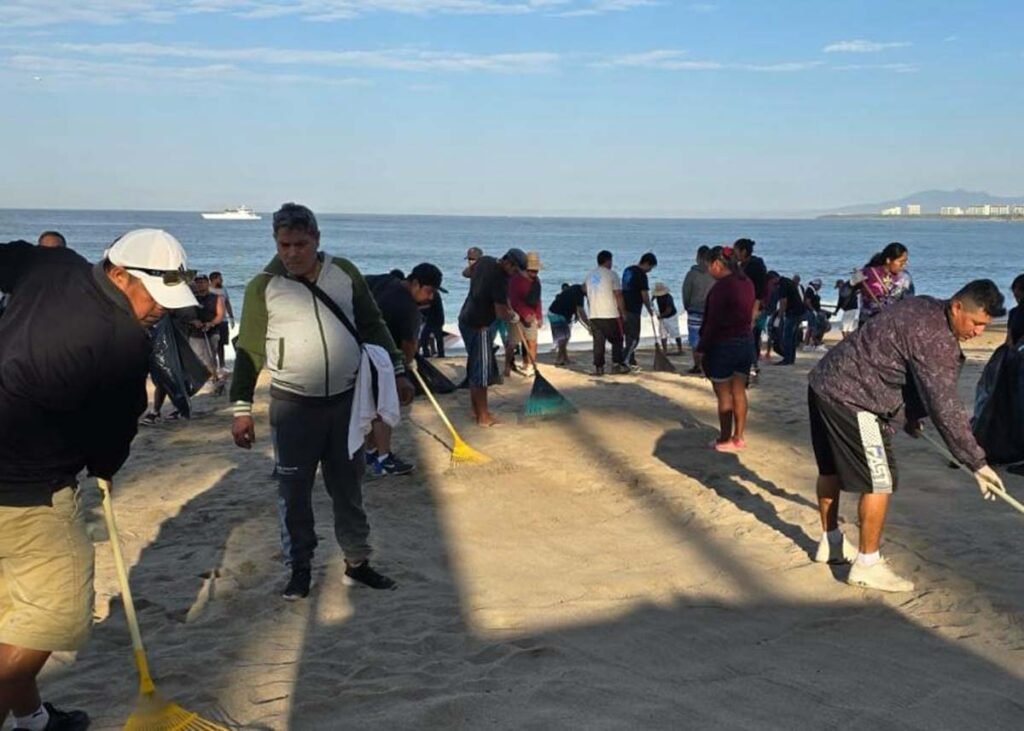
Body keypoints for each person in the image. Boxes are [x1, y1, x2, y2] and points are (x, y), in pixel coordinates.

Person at [0, 229, 197, 731]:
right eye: (155, 296)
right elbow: (110, 438)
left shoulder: (51, 265)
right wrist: (106, 466)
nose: (160, 310)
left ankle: (34, 720)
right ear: (118, 274)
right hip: (28, 492)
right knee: (52, 617)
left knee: (10, 613)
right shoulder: (121, 340)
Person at [230, 203, 413, 600]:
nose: (292, 253)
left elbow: (372, 324)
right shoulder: (262, 287)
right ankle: (300, 569)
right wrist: (241, 409)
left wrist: (398, 369)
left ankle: (358, 563)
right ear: (275, 242)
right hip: (292, 407)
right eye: (284, 244)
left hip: (346, 405)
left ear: (317, 240)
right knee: (293, 492)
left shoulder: (344, 273)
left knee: (348, 487)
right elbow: (248, 352)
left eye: (300, 243)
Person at [809, 280, 1007, 592]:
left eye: (986, 325)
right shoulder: (937, 339)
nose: (978, 332)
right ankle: (867, 563)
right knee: (880, 478)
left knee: (830, 468)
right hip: (856, 400)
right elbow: (944, 403)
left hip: (824, 381)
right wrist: (976, 461)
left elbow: (904, 362)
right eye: (977, 323)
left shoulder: (922, 304)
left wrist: (911, 416)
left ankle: (831, 541)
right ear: (957, 307)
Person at [364, 264, 446, 476]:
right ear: (415, 283)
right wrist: (406, 368)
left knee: (372, 407)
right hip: (383, 361)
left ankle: (370, 451)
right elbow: (409, 344)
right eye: (429, 291)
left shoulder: (385, 280)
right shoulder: (409, 308)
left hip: (362, 352)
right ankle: (383, 459)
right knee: (385, 409)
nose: (430, 298)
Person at [695, 246, 756, 451]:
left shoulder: (721, 288)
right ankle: (738, 436)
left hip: (724, 344)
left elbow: (713, 322)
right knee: (739, 391)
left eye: (708, 266)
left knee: (723, 394)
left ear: (717, 264)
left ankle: (724, 438)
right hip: (745, 341)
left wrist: (701, 348)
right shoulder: (746, 282)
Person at [458, 248, 524, 426]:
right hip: (481, 326)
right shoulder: (500, 279)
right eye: (515, 270)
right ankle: (483, 417)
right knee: (482, 373)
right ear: (508, 262)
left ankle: (476, 411)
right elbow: (501, 312)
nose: (515, 274)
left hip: (465, 319)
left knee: (474, 368)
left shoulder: (485, 260)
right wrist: (513, 316)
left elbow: (466, 272)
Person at [584, 250, 627, 376]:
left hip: (594, 314)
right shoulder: (612, 274)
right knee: (618, 339)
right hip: (610, 313)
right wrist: (623, 312)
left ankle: (599, 368)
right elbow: (618, 295)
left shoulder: (589, 275)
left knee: (598, 342)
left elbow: (584, 290)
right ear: (608, 261)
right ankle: (616, 364)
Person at [187, 274, 225, 394]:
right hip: (195, 332)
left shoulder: (216, 298)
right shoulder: (191, 299)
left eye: (202, 282)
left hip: (212, 330)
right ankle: (205, 380)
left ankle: (215, 379)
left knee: (211, 356)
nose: (200, 284)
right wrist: (193, 321)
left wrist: (211, 324)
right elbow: (186, 315)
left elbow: (220, 315)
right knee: (199, 357)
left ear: (208, 283)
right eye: (198, 282)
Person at [855, 242, 910, 323]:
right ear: (888, 260)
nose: (904, 265)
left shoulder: (905, 277)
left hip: (893, 324)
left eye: (905, 262)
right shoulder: (867, 273)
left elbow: (909, 303)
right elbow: (845, 293)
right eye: (901, 262)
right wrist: (851, 283)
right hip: (868, 325)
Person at [733, 238, 766, 374]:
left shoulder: (753, 267)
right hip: (752, 306)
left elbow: (757, 292)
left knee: (749, 337)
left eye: (736, 251)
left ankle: (751, 364)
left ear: (743, 251)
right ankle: (752, 363)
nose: (735, 255)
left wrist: (754, 312)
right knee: (751, 337)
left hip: (753, 306)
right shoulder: (750, 265)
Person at [508, 251, 543, 376]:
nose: (534, 273)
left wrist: (539, 316)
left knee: (532, 341)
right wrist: (524, 314)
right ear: (526, 269)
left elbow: (538, 299)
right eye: (532, 271)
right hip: (517, 317)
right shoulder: (516, 280)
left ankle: (529, 366)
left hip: (532, 316)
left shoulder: (536, 281)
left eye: (536, 271)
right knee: (512, 343)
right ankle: (508, 367)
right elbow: (514, 300)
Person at [621, 252, 658, 370]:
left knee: (628, 336)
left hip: (623, 307)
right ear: (646, 263)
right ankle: (624, 361)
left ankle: (630, 359)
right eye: (651, 267)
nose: (650, 270)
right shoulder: (641, 275)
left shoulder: (628, 270)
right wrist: (650, 309)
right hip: (633, 308)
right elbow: (644, 295)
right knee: (634, 338)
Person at [682, 246, 715, 375]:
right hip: (711, 310)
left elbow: (686, 291)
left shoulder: (692, 274)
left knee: (695, 339)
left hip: (694, 309)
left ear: (698, 257)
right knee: (708, 338)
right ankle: (708, 364)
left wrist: (686, 306)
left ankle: (697, 365)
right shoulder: (714, 273)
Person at [548, 281, 590, 367]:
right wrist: (589, 325)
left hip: (556, 312)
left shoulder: (576, 287)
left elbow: (573, 304)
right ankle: (559, 359)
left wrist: (576, 314)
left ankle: (565, 359)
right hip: (557, 314)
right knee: (563, 338)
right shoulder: (579, 294)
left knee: (566, 337)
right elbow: (581, 311)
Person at [773, 273, 805, 365]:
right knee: (792, 336)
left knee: (787, 336)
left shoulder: (782, 285)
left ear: (775, 279)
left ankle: (787, 359)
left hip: (792, 312)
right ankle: (791, 358)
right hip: (799, 310)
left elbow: (783, 302)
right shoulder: (788, 281)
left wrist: (779, 317)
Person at [209, 271, 234, 371]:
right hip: (213, 320)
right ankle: (213, 366)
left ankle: (222, 365)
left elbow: (227, 303)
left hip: (223, 320)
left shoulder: (223, 289)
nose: (222, 280)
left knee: (222, 344)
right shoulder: (209, 290)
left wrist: (231, 316)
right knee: (213, 344)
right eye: (220, 278)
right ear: (213, 279)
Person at [652, 282, 683, 354]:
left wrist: (661, 316)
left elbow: (669, 310)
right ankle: (665, 351)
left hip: (671, 316)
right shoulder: (657, 296)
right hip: (662, 316)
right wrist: (651, 301)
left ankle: (680, 349)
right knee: (662, 334)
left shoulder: (669, 298)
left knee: (675, 332)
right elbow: (653, 298)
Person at [802, 279, 829, 351]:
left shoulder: (813, 290)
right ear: (816, 285)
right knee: (812, 327)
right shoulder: (810, 290)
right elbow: (807, 302)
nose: (820, 288)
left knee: (812, 327)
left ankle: (810, 344)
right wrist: (813, 310)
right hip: (810, 311)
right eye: (819, 286)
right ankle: (810, 344)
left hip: (814, 311)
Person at [419, 291, 446, 358]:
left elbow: (429, 306)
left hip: (436, 320)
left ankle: (440, 354)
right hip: (431, 320)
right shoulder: (433, 294)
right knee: (424, 338)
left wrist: (417, 308)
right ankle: (427, 353)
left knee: (437, 338)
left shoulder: (434, 294)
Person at [1005, 274, 1024, 347]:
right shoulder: (1013, 312)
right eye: (1016, 297)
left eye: (1019, 297)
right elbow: (1009, 340)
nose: (1017, 300)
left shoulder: (1014, 312)